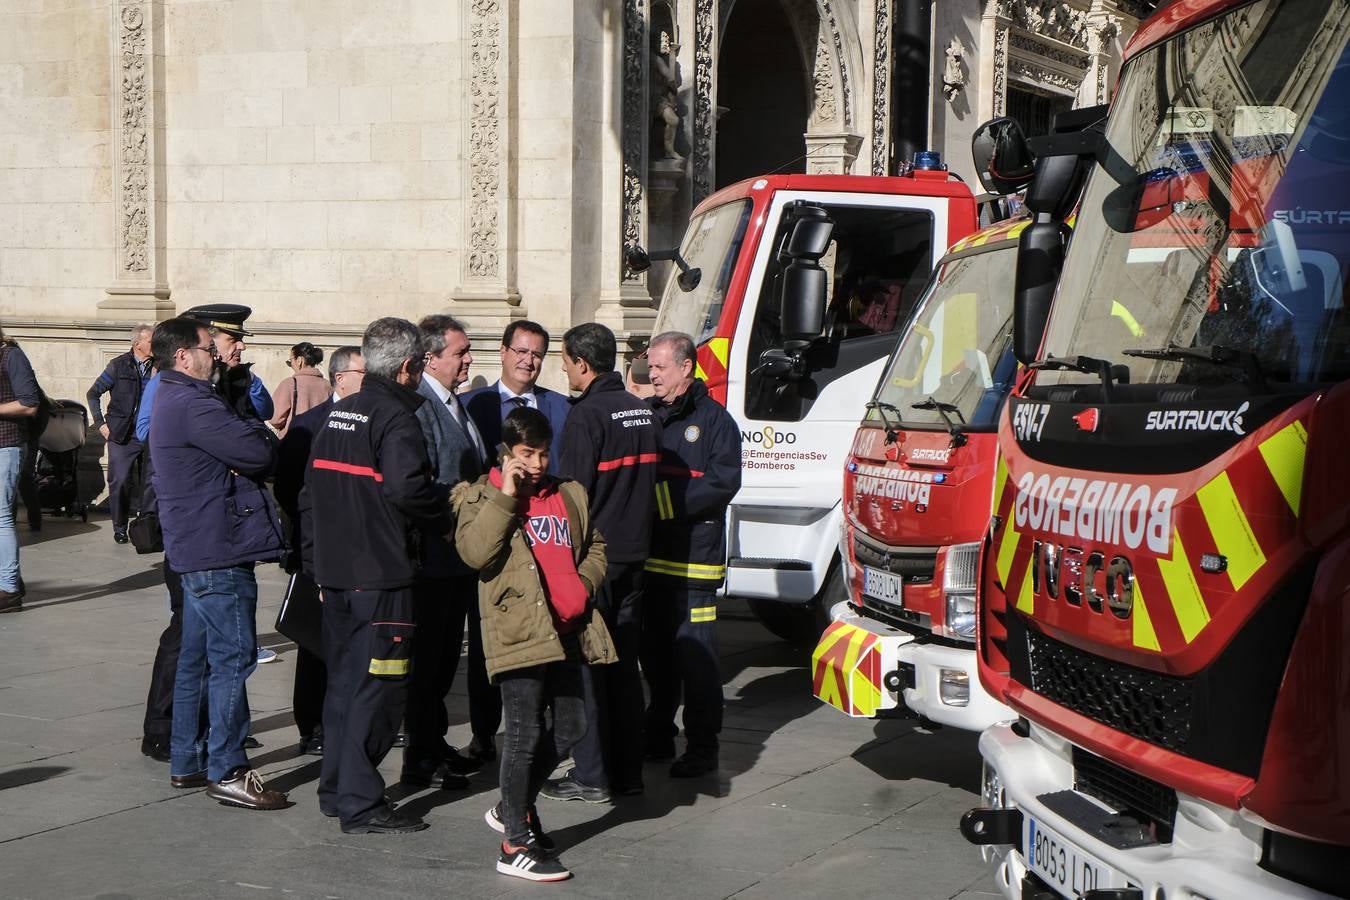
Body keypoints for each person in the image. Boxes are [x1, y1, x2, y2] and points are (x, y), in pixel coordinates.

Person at [301, 317, 450, 835]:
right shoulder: (395, 418)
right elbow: (409, 491)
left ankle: (335, 789)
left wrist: (315, 564)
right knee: (379, 690)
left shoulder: (339, 416)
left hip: (339, 574)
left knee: (344, 686)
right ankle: (362, 803)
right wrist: (447, 510)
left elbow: (309, 497)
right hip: (382, 577)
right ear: (410, 367)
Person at [454, 406, 615, 883]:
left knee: (571, 726)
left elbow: (597, 546)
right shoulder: (478, 496)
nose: (538, 464)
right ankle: (514, 842)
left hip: (568, 630)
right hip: (518, 632)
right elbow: (475, 553)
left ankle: (512, 806)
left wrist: (583, 584)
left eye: (544, 453)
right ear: (506, 454)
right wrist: (506, 493)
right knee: (523, 733)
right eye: (527, 454)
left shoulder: (568, 493)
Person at [149, 317, 288, 810]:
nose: (217, 355)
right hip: (218, 548)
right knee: (234, 657)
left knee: (197, 659)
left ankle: (187, 759)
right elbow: (257, 452)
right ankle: (228, 767)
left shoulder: (172, 394)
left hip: (198, 546)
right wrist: (251, 423)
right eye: (209, 348)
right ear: (184, 356)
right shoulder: (194, 402)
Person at [541, 323, 661, 803]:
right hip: (636, 555)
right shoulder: (641, 411)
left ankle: (590, 773)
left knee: (591, 663)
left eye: (566, 362)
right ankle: (627, 771)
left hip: (598, 562)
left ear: (583, 364)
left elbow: (572, 497)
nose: (565, 370)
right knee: (625, 666)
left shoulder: (586, 416)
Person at [640, 332, 742, 778]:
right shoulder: (646, 418)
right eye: (650, 367)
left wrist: (662, 505)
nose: (652, 375)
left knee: (696, 662)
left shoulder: (716, 422)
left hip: (694, 567)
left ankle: (702, 747)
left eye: (660, 366)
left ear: (686, 367)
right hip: (652, 563)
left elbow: (722, 483)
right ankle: (658, 734)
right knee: (657, 657)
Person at [402, 315, 491, 789]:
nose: (468, 359)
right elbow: (430, 483)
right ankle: (421, 757)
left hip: (458, 559)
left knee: (439, 665)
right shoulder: (422, 407)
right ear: (430, 358)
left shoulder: (456, 403)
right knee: (431, 664)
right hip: (436, 559)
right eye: (460, 352)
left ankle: (433, 746)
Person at [273, 346, 364, 757]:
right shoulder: (311, 426)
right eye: (366, 372)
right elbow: (288, 487)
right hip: (317, 547)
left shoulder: (373, 419)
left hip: (363, 552)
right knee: (315, 640)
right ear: (341, 377)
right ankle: (311, 724)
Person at [463, 321, 570, 471]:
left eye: (536, 355)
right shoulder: (469, 405)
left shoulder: (564, 407)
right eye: (521, 351)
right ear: (503, 352)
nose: (528, 361)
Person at [87, 323, 154, 545]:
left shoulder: (159, 367)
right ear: (138, 344)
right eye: (151, 341)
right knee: (120, 480)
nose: (155, 345)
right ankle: (120, 527)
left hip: (150, 432)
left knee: (150, 481)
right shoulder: (118, 366)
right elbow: (93, 393)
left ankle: (146, 523)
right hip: (122, 433)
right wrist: (101, 425)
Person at [0, 324, 42, 614]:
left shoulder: (11, 355)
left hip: (6, 444)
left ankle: (9, 590)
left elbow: (29, 403)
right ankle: (10, 578)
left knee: (2, 517)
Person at [269, 341, 329, 438]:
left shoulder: (289, 383)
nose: (291, 364)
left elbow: (275, 419)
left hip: (294, 443)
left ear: (299, 360)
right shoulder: (328, 386)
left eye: (290, 361)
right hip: (319, 444)